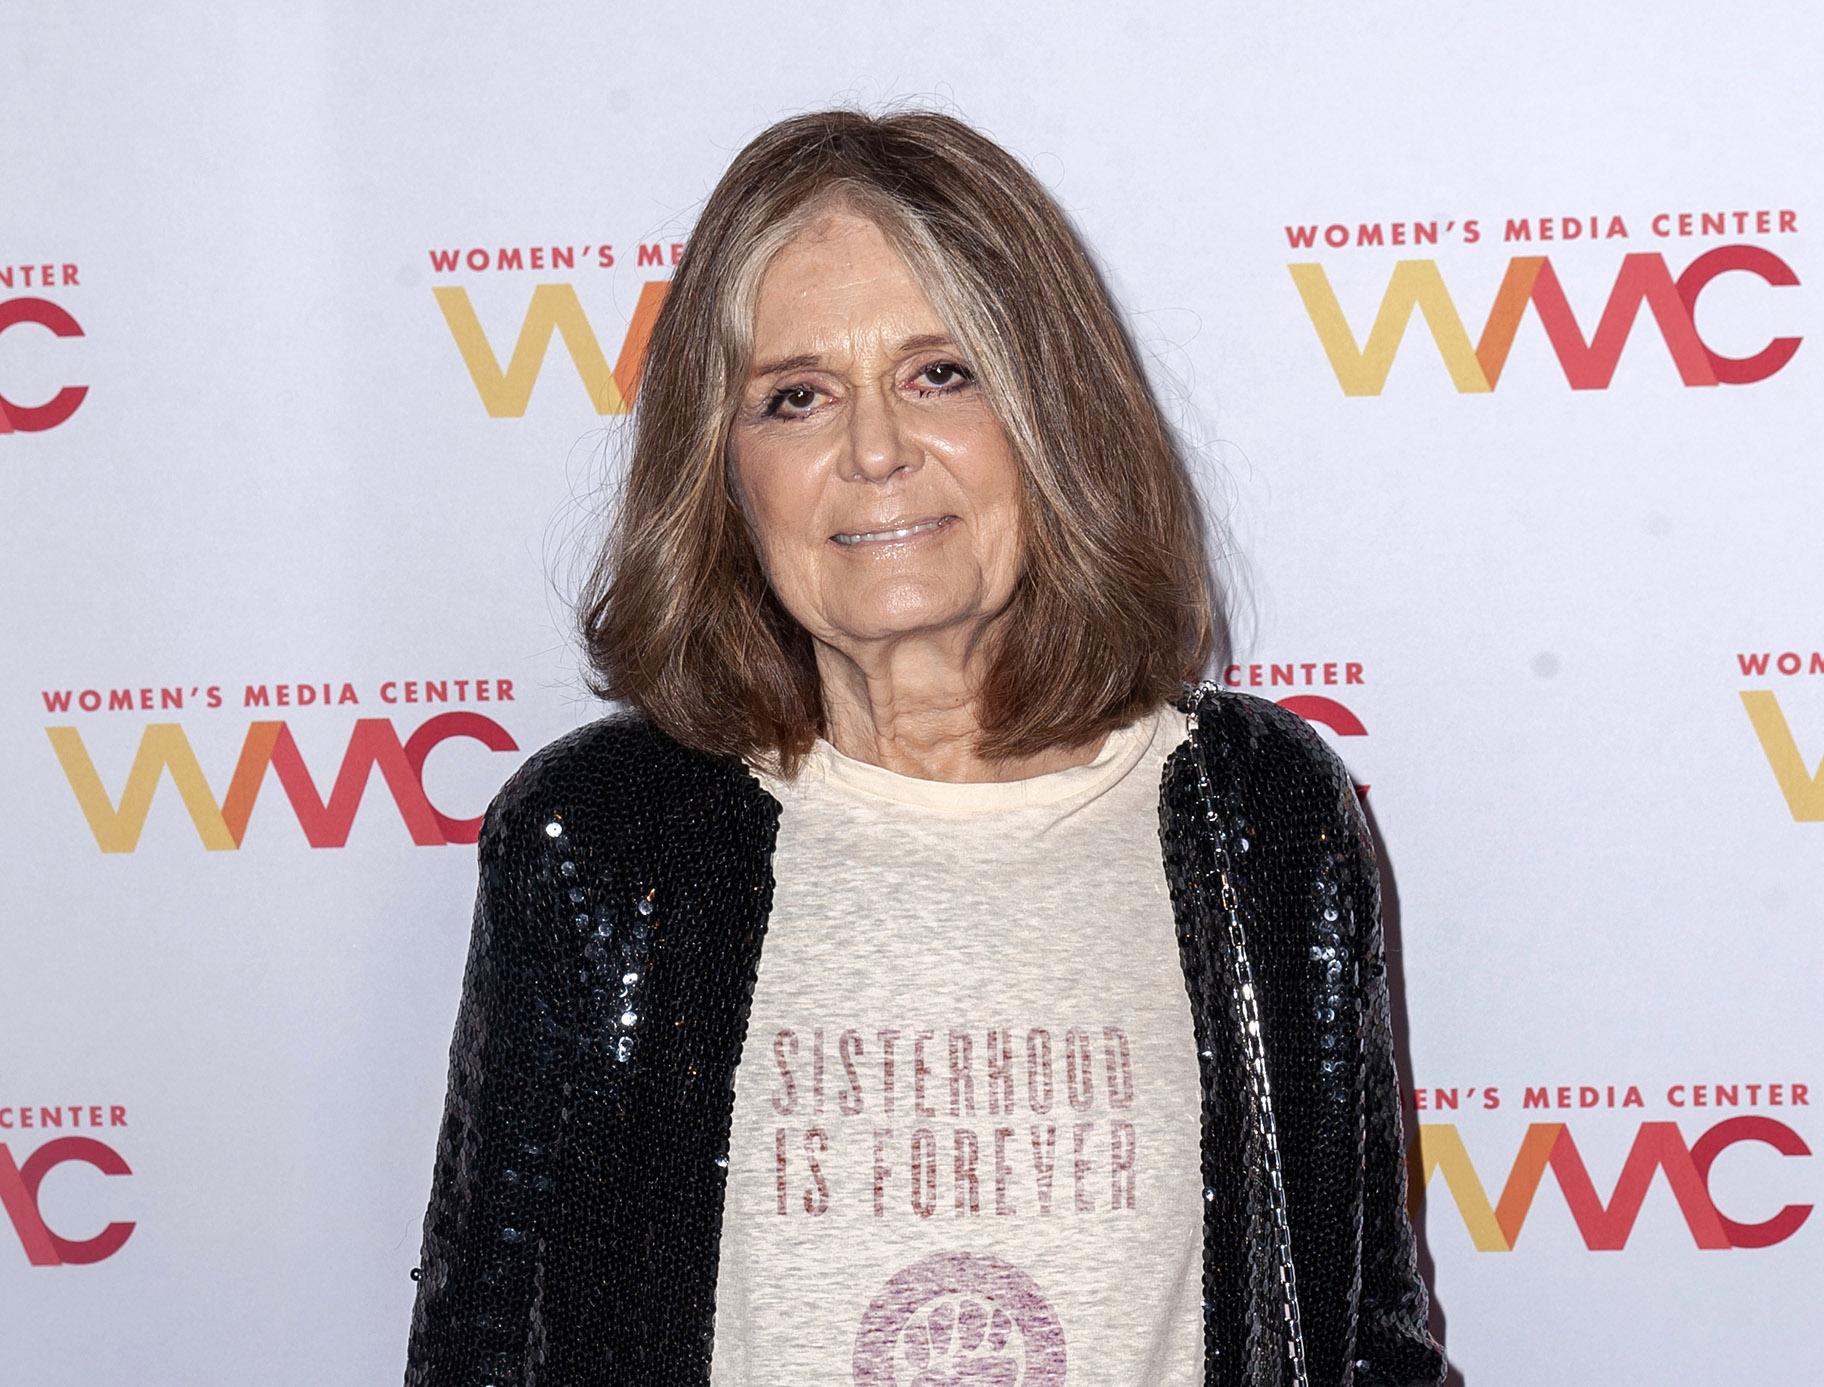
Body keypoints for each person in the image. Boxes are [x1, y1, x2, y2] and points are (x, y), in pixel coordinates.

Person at [402, 106, 1447, 1387]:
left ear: (1052, 416)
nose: (877, 450)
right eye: (796, 396)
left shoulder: (1260, 812)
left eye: (940, 373)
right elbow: (482, 1347)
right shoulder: (606, 839)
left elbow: (1366, 1343)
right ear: (723, 470)